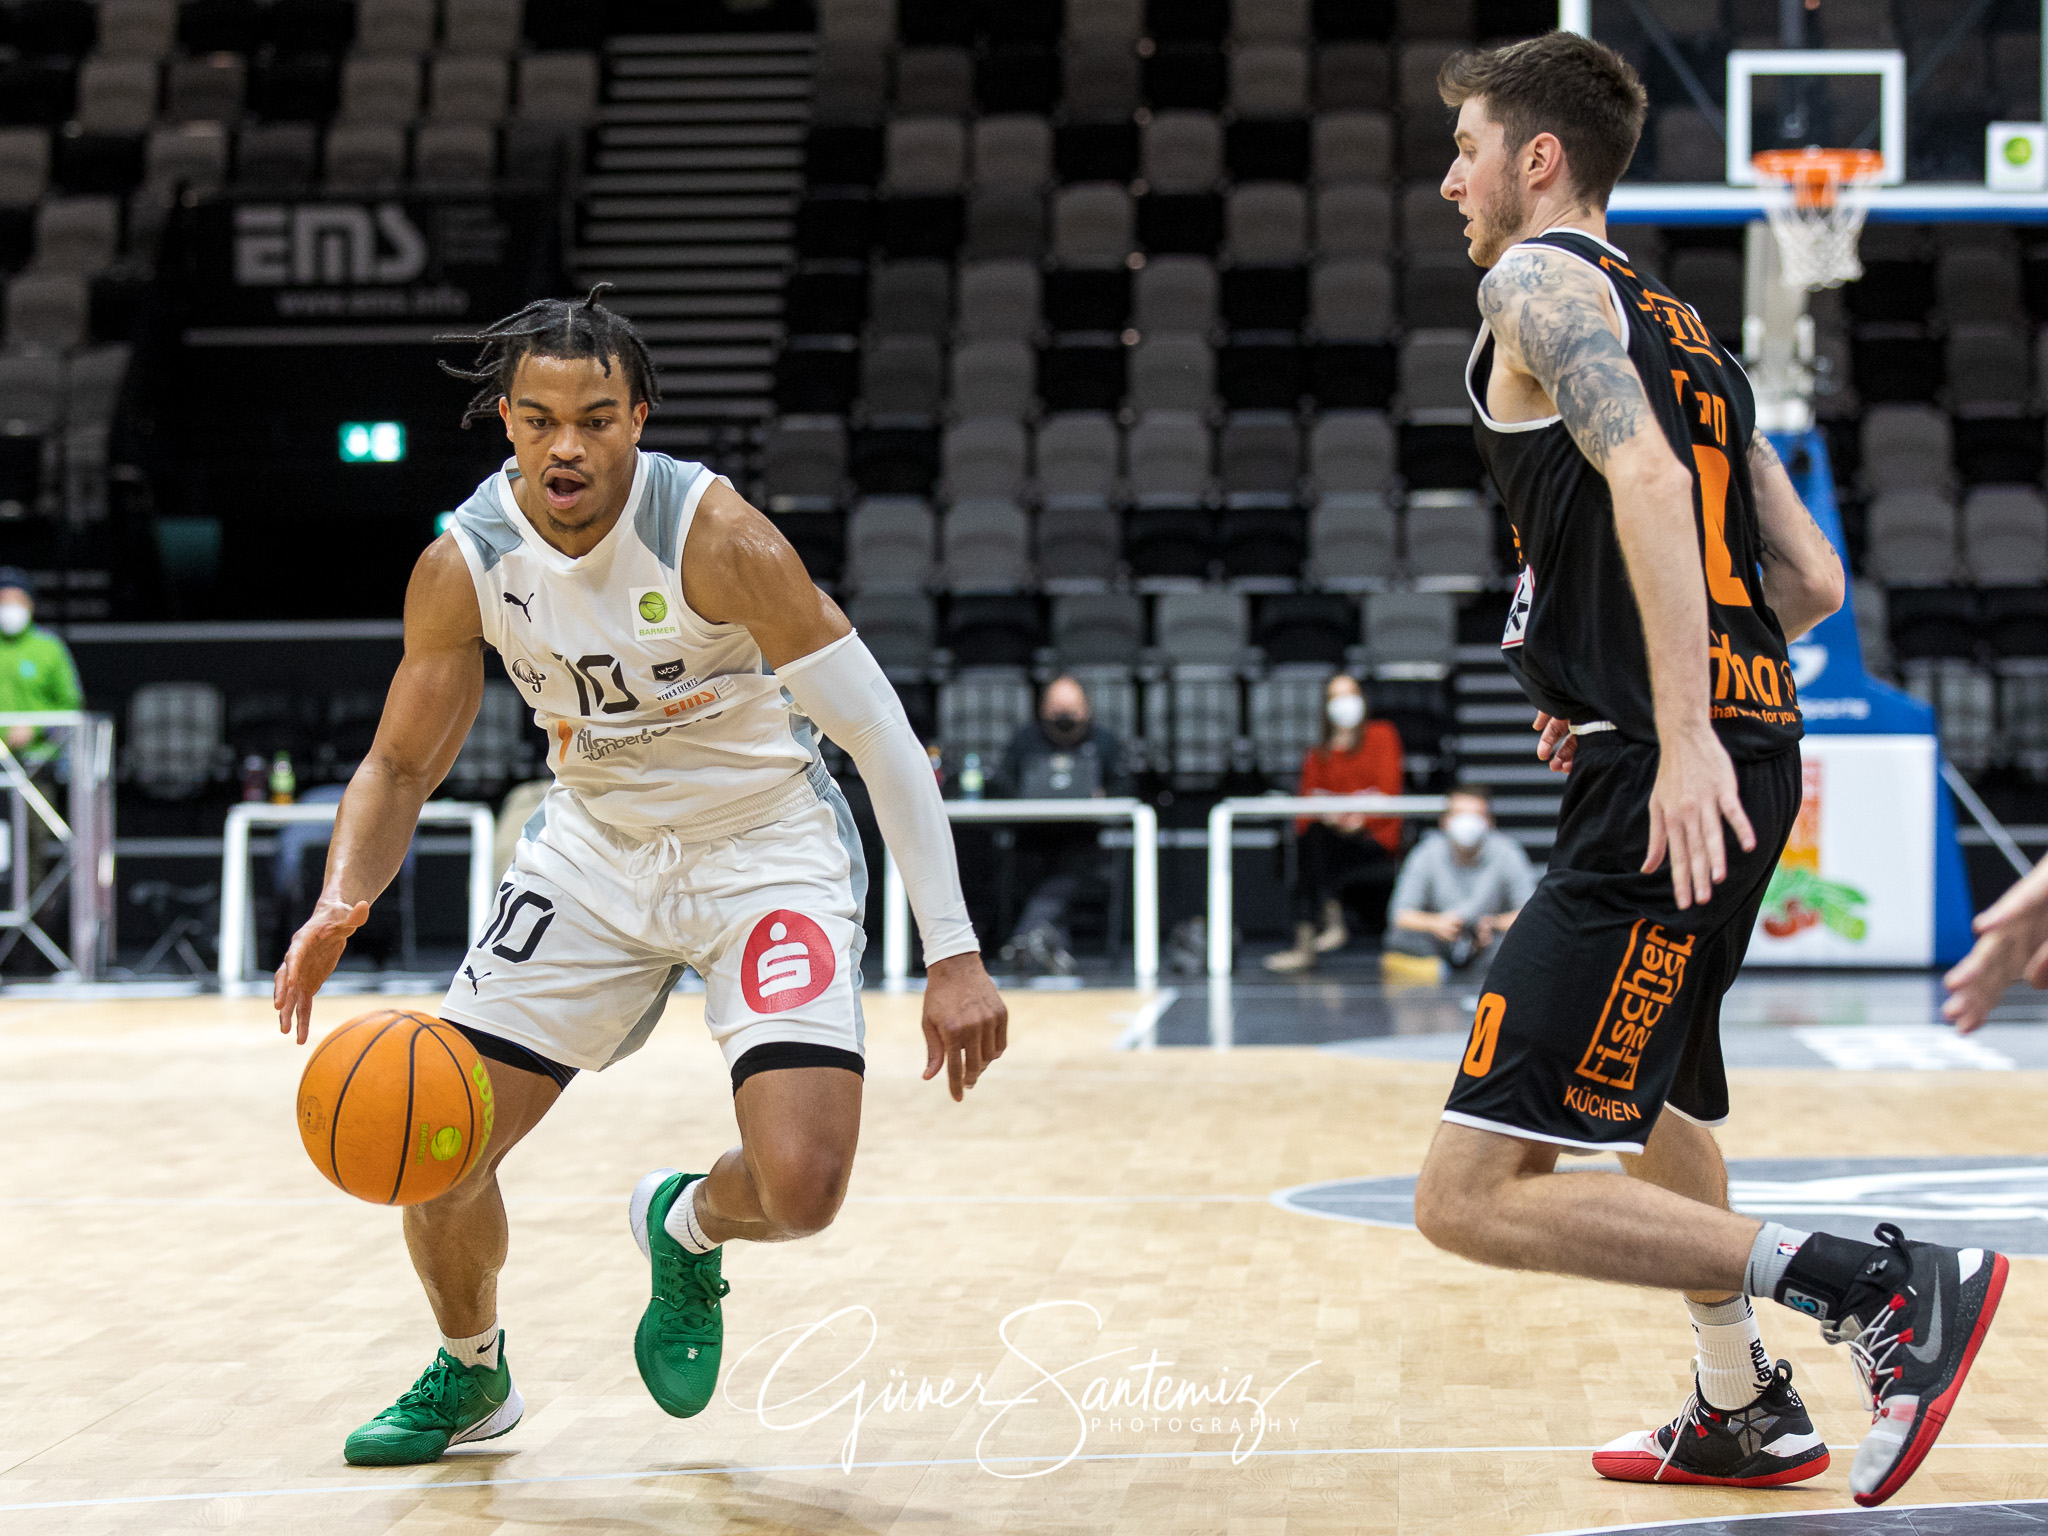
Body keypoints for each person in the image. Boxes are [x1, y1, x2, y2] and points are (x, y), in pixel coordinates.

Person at [1410, 34, 2002, 1511]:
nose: (1450, 180)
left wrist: (1670, 729)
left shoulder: (1535, 283)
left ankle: (1877, 1285)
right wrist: (1629, 676)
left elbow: (1649, 480)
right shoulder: (1694, 337)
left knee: (1468, 1198)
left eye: (1467, 149)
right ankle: (1739, 1406)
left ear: (1539, 158)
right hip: (1755, 748)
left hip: (1674, 776)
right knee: (1656, 1104)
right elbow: (1807, 581)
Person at [272, 288, 1006, 1467]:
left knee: (803, 1188)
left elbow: (878, 736)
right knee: (434, 1131)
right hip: (593, 854)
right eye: (541, 420)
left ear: (637, 421)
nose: (566, 446)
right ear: (507, 422)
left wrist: (953, 953)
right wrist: (338, 902)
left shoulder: (717, 538)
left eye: (596, 420)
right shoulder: (465, 563)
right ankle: (472, 1372)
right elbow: (400, 764)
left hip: (763, 849)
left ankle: (685, 1222)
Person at [1265, 673, 1403, 973]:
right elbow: (1306, 807)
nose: (1344, 703)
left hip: (1374, 839)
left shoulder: (1382, 735)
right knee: (1311, 841)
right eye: (1336, 697)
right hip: (1330, 840)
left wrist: (1359, 818)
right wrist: (1335, 816)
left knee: (1312, 851)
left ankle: (1312, 937)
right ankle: (1330, 918)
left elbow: (1389, 792)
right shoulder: (1318, 753)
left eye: (1350, 694)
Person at [993, 673, 1128, 975]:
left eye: (1071, 709)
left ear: (1086, 709)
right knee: (1027, 870)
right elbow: (1002, 784)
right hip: (1031, 839)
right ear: (1043, 709)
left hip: (1084, 839)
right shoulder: (1025, 741)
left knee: (1070, 871)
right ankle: (1048, 945)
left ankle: (1025, 938)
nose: (1064, 716)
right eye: (1057, 708)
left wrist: (1102, 795)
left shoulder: (1104, 741)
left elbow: (1126, 786)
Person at [1384, 785, 1535, 981]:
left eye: (1476, 815)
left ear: (1490, 822)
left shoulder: (1508, 853)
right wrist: (1435, 923)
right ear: (1444, 821)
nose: (1467, 822)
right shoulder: (1426, 852)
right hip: (1437, 942)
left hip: (1488, 942)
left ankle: (1483, 973)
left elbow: (1530, 912)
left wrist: (1493, 924)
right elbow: (1400, 914)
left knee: (1522, 942)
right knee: (1399, 938)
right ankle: (1440, 969)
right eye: (1460, 814)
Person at [0, 567, 82, 753]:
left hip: (41, 757)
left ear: (30, 604)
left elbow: (70, 703)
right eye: (3, 600)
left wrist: (35, 728)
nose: (10, 606)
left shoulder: (50, 648)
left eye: (17, 599)